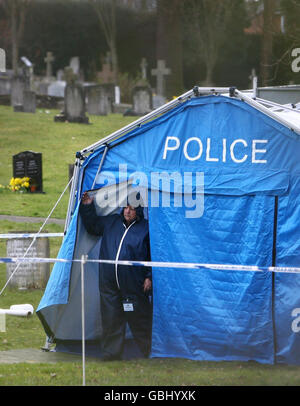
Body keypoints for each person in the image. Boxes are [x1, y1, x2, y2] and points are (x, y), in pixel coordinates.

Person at [79, 191, 152, 361]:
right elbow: (93, 226)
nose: (127, 211)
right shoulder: (112, 222)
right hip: (108, 282)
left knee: (139, 318)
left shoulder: (146, 229)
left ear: (139, 211)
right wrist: (87, 206)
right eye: (126, 207)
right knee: (111, 317)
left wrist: (149, 276)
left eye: (132, 209)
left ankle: (148, 351)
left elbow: (153, 255)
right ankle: (111, 354)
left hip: (134, 284)